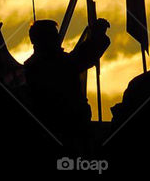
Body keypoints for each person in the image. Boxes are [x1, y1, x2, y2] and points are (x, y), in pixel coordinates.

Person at [24, 18, 111, 147]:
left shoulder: (31, 67)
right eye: (53, 36)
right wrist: (98, 36)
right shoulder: (52, 64)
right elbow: (82, 57)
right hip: (69, 130)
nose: (57, 39)